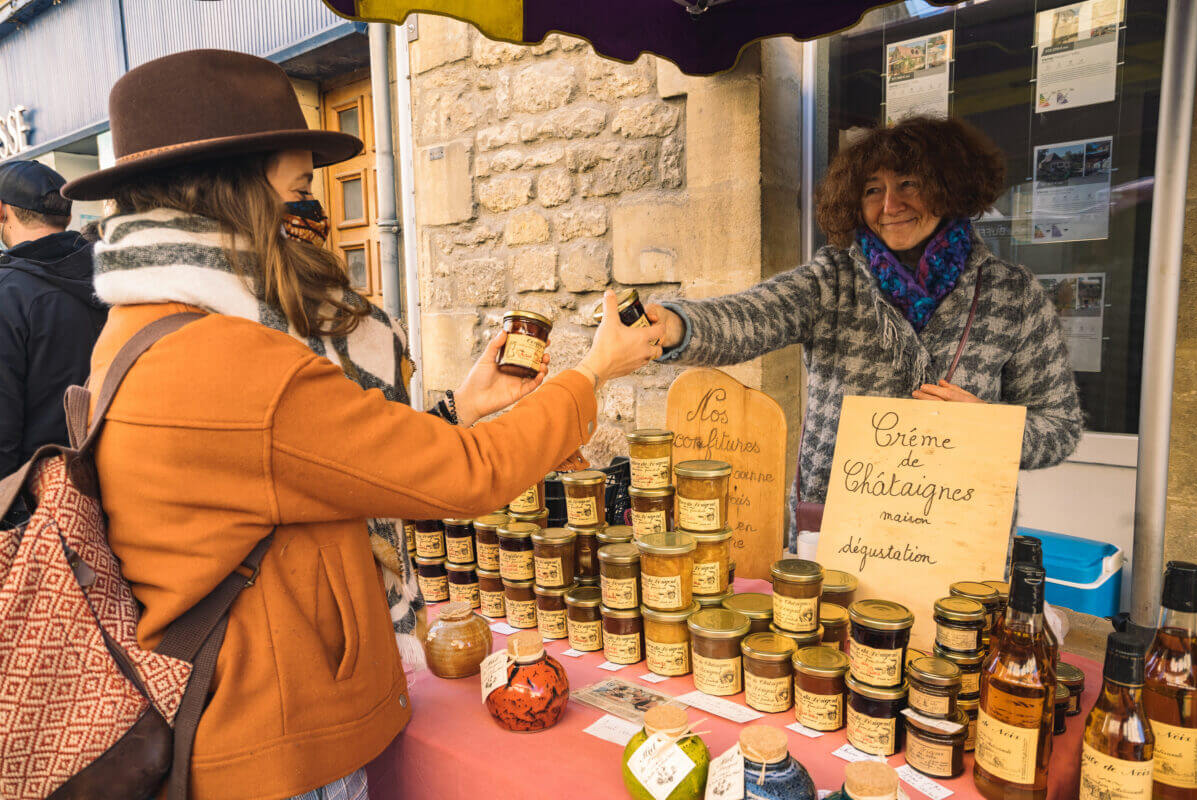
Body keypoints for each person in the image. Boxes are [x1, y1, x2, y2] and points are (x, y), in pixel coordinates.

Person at [61, 49, 663, 800]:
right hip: (277, 742)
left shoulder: (139, 325)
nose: (297, 222)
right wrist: (593, 372)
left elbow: (304, 467)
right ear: (238, 189)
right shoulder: (235, 362)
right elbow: (467, 475)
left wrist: (460, 409)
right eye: (291, 194)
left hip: (222, 717)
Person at [644, 116, 1082, 549]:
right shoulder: (832, 281)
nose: (890, 206)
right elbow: (748, 316)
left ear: (949, 187)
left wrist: (989, 429)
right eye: (873, 190)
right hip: (841, 532)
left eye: (909, 184)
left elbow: (1059, 426)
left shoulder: (1012, 293)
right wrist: (675, 325)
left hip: (959, 538)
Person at [0, 160, 107, 479]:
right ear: (68, 215)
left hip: (37, 500)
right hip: (113, 483)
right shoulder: (113, 275)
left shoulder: (8, 293)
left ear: (2, 212)